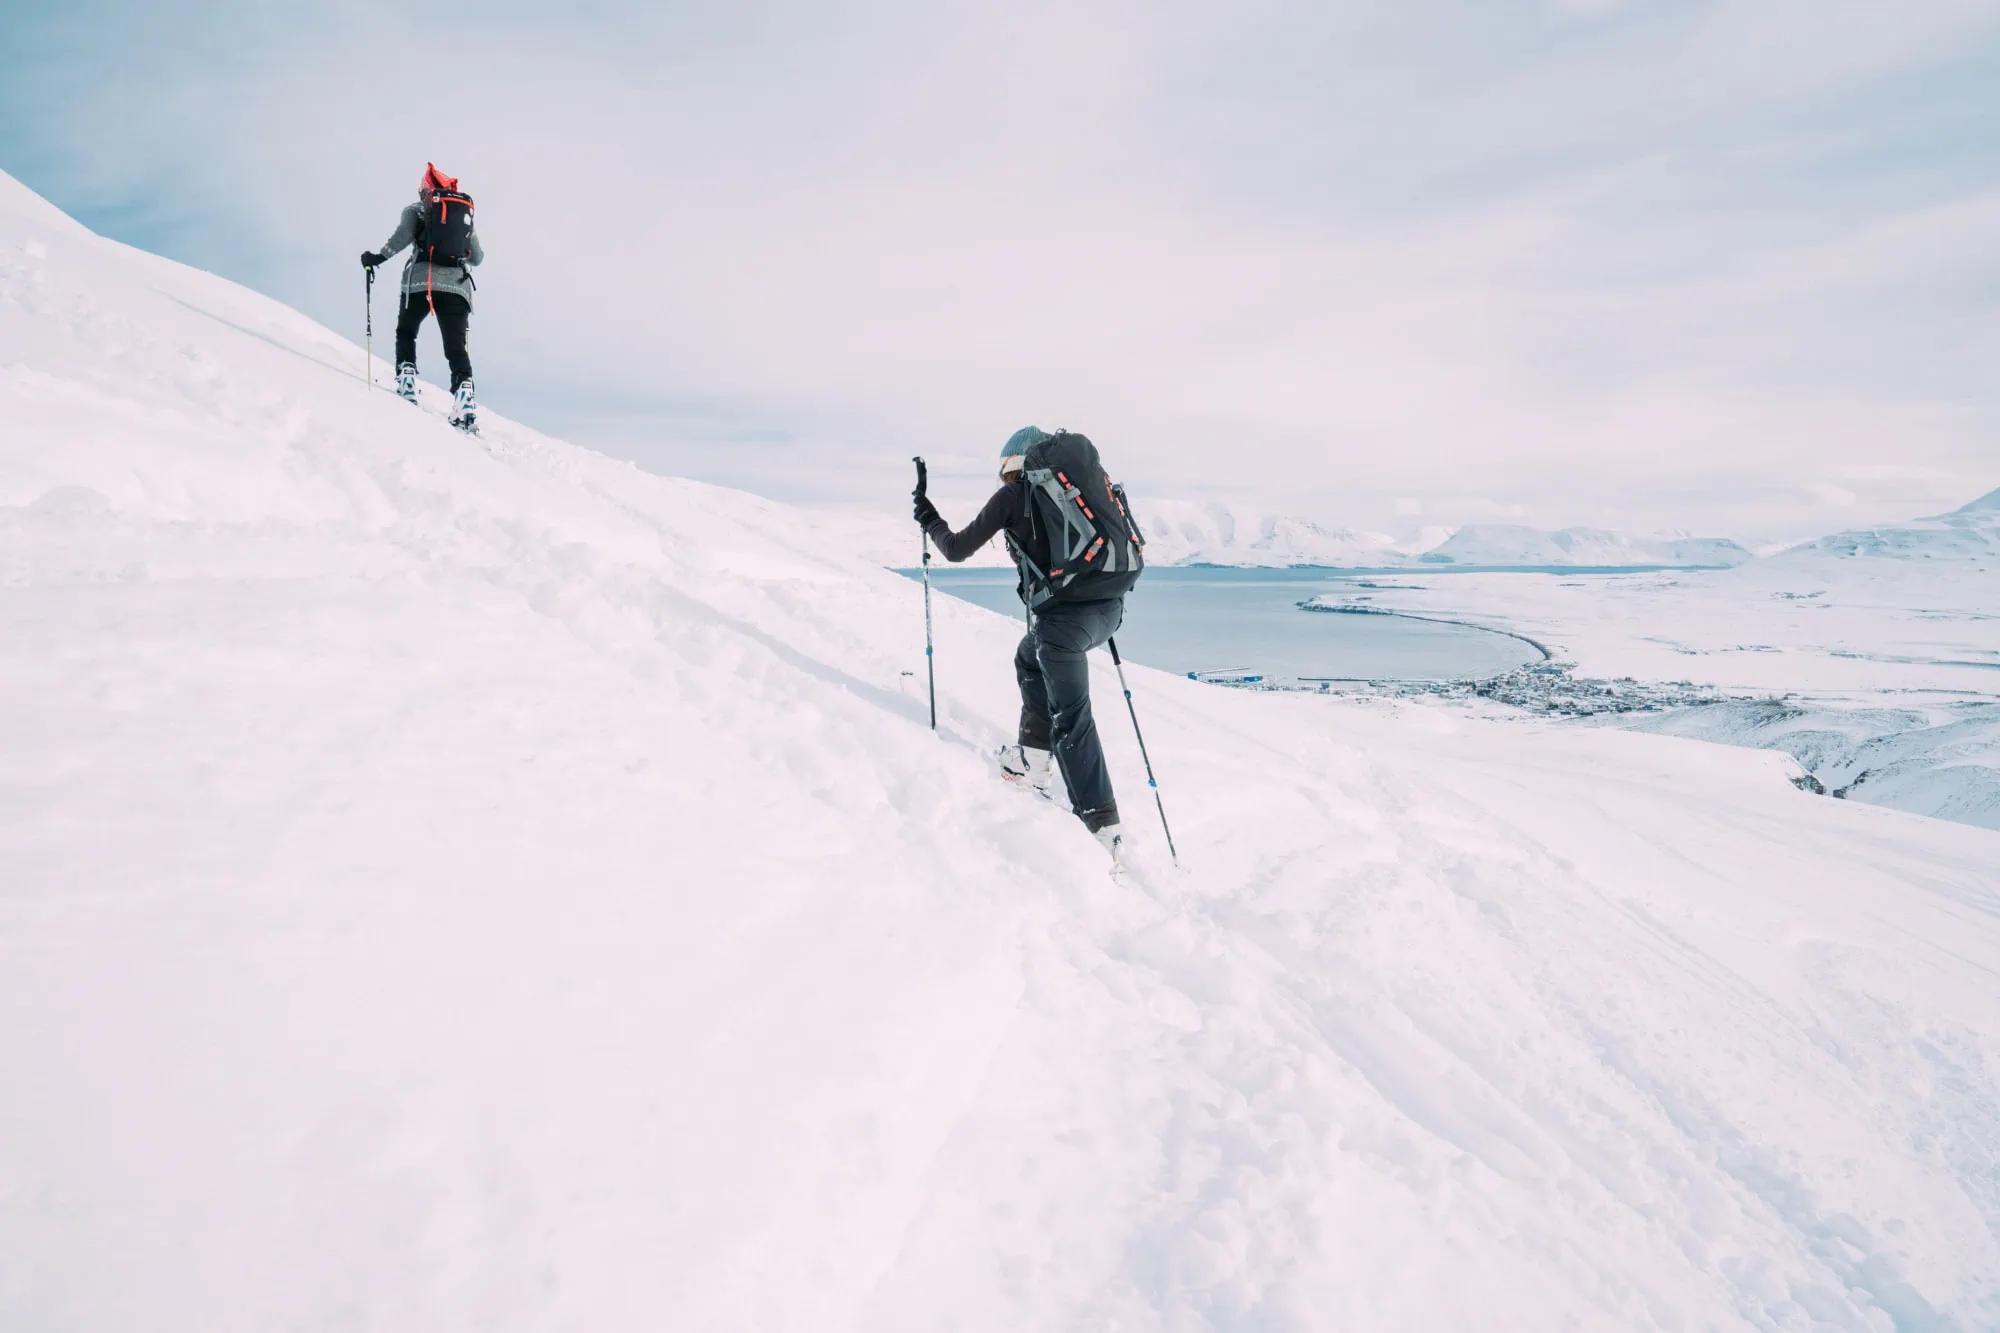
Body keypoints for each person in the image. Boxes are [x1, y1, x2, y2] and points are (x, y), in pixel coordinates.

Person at [914, 426, 1128, 858]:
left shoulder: (1015, 495)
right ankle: (1033, 759)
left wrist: (928, 517)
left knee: (1072, 717)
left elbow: (955, 549)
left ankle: (1103, 826)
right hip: (1108, 610)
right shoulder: (1086, 490)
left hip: (1062, 627)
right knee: (1028, 658)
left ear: (1015, 463)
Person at [361, 163, 483, 432]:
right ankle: (464, 398)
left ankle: (406, 380)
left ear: (425, 189)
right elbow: (478, 257)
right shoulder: (462, 216)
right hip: (457, 289)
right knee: (455, 347)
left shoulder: (416, 210)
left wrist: (377, 257)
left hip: (419, 283)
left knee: (406, 332)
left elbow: (402, 237)